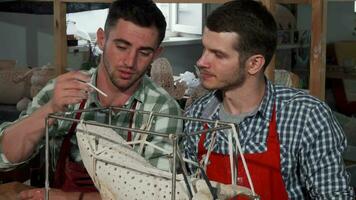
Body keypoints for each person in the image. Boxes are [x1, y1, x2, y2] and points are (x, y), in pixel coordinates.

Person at [0, 0, 182, 199]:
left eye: (144, 52)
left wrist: (70, 198)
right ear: (102, 39)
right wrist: (48, 110)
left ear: (156, 54)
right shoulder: (62, 91)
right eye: (122, 47)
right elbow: (4, 158)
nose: (130, 62)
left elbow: (158, 195)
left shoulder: (162, 109)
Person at [183, 0, 355, 199]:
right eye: (204, 49)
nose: (201, 62)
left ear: (254, 64)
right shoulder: (197, 115)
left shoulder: (306, 116)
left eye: (218, 55)